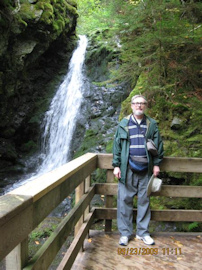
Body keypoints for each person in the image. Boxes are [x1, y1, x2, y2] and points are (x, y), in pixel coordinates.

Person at [112, 94, 164, 246]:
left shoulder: (151, 124)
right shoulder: (123, 124)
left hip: (146, 169)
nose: (139, 106)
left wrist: (156, 164)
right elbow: (117, 146)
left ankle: (143, 233)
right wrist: (116, 165)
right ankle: (125, 234)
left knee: (144, 201)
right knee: (124, 201)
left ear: (146, 106)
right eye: (136, 103)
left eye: (142, 103)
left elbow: (158, 146)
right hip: (127, 168)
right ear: (131, 105)